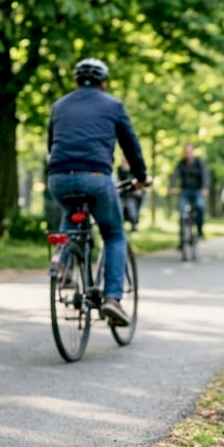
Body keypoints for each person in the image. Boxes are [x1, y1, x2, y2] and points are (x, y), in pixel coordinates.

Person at [45, 57, 148, 326]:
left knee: (71, 214)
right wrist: (141, 177)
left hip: (58, 178)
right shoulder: (113, 105)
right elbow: (130, 145)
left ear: (76, 81)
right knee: (114, 234)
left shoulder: (59, 105)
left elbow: (50, 145)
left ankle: (65, 265)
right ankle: (112, 298)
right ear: (104, 82)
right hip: (95, 177)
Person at [171, 143, 209, 238]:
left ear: (193, 151)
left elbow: (205, 175)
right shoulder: (181, 163)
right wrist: (172, 186)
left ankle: (200, 230)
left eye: (190, 151)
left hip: (197, 190)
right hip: (185, 191)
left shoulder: (199, 162)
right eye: (186, 152)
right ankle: (182, 239)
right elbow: (175, 175)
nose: (188, 153)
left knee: (200, 207)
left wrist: (205, 187)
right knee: (181, 212)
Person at [116, 158, 144, 232]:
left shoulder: (134, 169)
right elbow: (120, 179)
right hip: (122, 193)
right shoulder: (120, 169)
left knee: (132, 210)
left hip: (131, 193)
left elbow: (138, 180)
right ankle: (120, 225)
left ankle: (134, 225)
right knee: (120, 209)